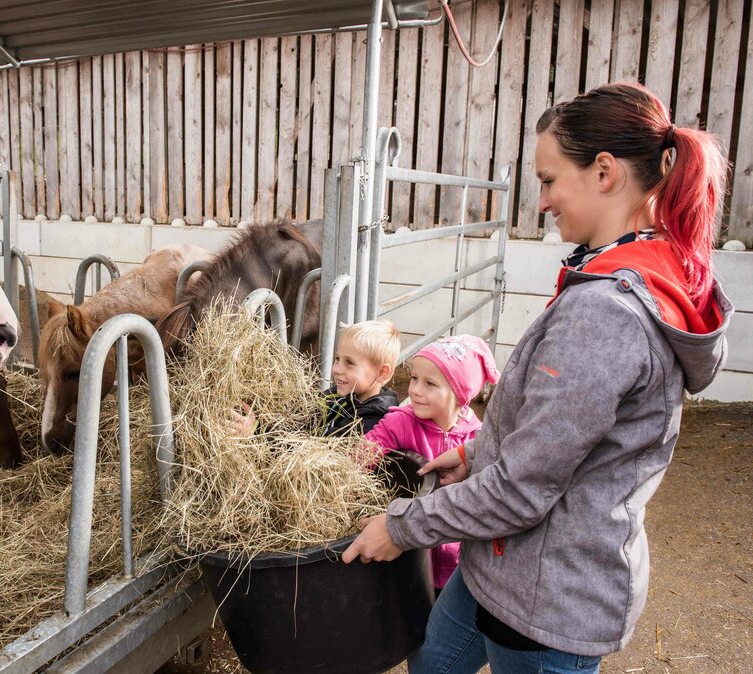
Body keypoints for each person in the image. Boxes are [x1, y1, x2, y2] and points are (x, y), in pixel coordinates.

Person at [341, 82, 734, 674]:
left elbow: (524, 488)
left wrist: (403, 527)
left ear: (604, 172)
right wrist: (477, 452)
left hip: (548, 599)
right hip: (497, 567)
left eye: (549, 180)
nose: (543, 201)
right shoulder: (623, 276)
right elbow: (564, 431)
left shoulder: (607, 313)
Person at [365, 335, 499, 593]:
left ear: (460, 395)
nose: (414, 390)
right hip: (408, 560)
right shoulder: (400, 423)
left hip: (459, 568)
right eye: (414, 378)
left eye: (429, 383)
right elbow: (360, 456)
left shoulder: (477, 437)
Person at [229, 320, 401, 437]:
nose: (336, 369)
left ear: (382, 373)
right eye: (337, 359)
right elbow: (302, 424)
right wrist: (262, 424)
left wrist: (257, 432)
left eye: (349, 363)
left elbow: (318, 451)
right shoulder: (337, 396)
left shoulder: (375, 419)